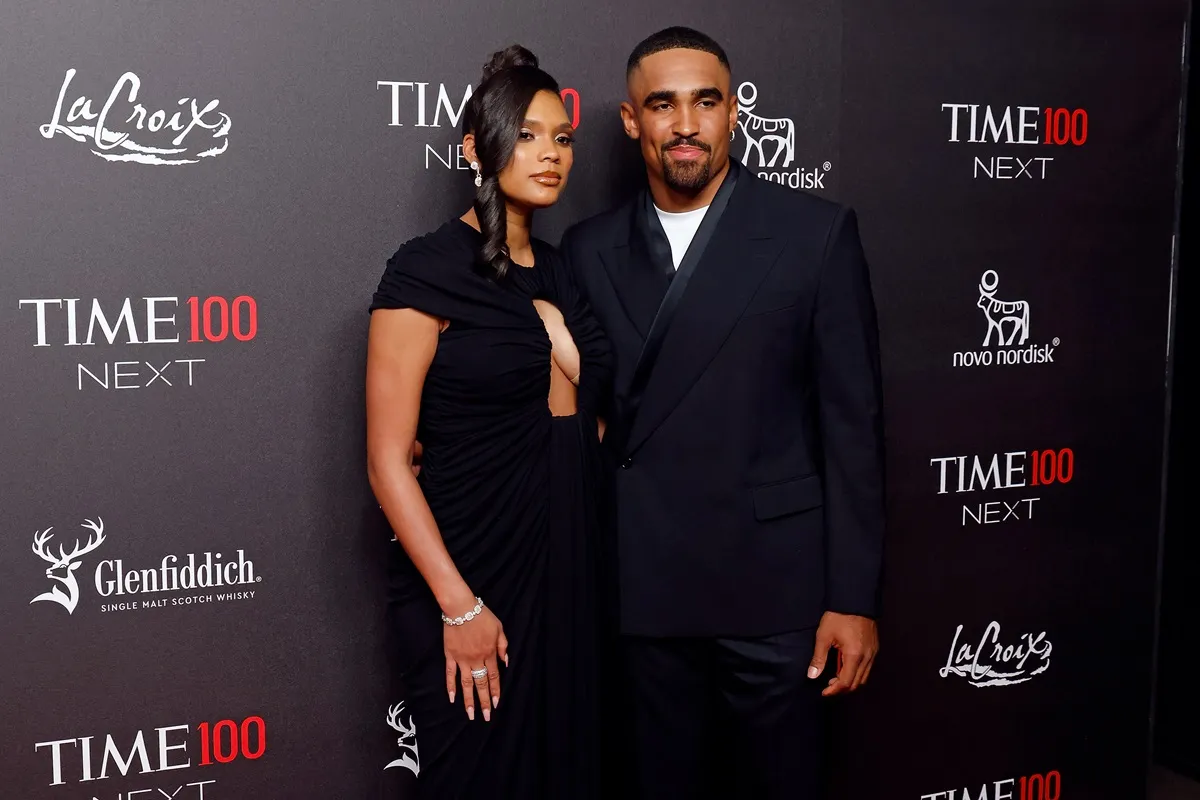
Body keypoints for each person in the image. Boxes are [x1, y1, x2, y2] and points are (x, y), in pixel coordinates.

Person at [560, 26, 886, 799]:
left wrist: (853, 599)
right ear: (631, 121)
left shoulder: (815, 233)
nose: (686, 124)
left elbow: (853, 431)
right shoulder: (587, 248)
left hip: (778, 594)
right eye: (662, 105)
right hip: (645, 588)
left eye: (705, 102)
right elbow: (578, 415)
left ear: (734, 112)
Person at [365, 45, 610, 799]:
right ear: (475, 148)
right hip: (470, 574)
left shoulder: (567, 271)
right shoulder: (427, 270)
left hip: (569, 568)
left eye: (562, 138)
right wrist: (459, 604)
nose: (551, 154)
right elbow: (388, 461)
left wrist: (555, 330)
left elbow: (595, 416)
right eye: (527, 135)